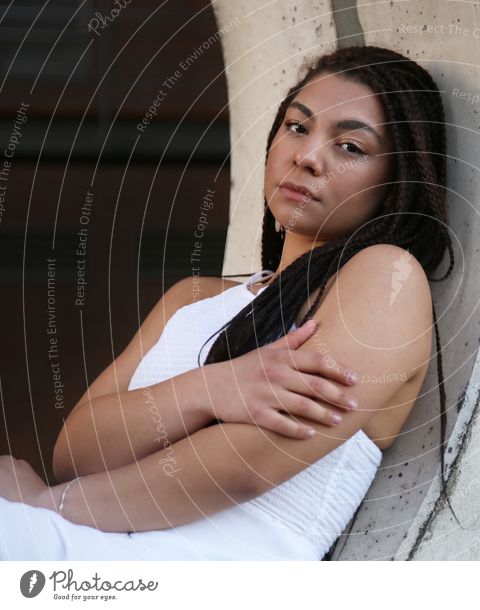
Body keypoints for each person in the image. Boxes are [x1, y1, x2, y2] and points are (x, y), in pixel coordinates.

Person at [0, 45, 455, 560]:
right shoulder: (192, 299)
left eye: (350, 146)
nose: (307, 156)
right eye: (297, 127)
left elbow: (247, 464)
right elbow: (77, 452)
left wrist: (48, 506)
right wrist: (213, 388)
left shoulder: (387, 277)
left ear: (397, 180)